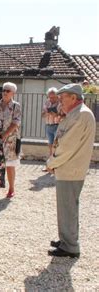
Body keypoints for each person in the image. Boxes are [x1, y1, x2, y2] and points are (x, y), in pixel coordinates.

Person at [46, 84, 95, 258]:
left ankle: (70, 246)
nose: (60, 101)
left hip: (70, 168)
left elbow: (67, 146)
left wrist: (52, 162)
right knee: (65, 207)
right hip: (68, 168)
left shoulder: (81, 115)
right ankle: (66, 239)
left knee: (68, 207)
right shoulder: (75, 114)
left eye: (63, 97)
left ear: (73, 98)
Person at [0, 82, 22, 198]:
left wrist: (4, 135)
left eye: (8, 91)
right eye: (4, 90)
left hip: (11, 140)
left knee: (10, 165)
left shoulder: (16, 106)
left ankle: (11, 188)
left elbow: (16, 122)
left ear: (13, 93)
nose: (5, 92)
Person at [41, 87, 62, 169]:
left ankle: (55, 165)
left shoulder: (60, 103)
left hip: (57, 126)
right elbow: (42, 114)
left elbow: (64, 116)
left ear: (57, 96)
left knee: (56, 146)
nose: (51, 99)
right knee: (50, 145)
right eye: (50, 97)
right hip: (49, 126)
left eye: (53, 97)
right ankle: (50, 165)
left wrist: (56, 115)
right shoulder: (47, 103)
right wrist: (46, 113)